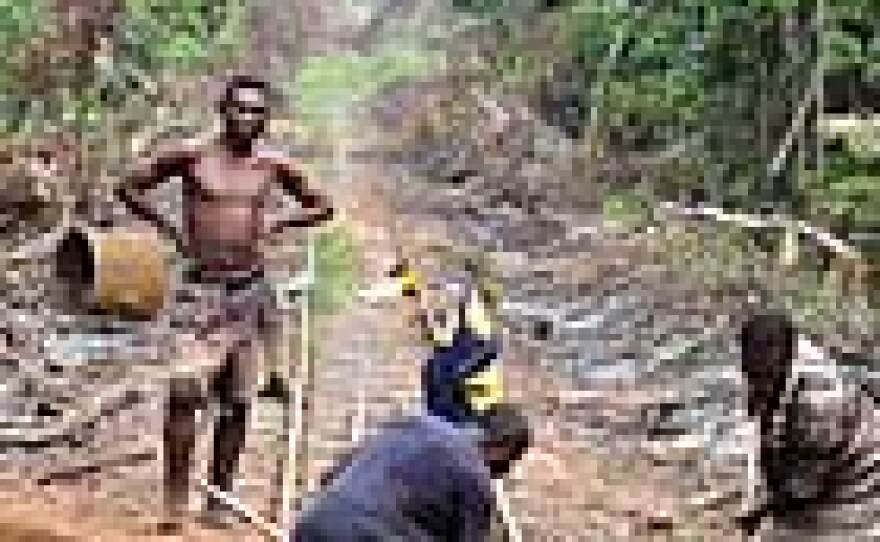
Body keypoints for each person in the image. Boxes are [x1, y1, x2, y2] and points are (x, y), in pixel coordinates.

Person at [116, 74, 333, 532]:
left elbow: (322, 205)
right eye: (239, 109)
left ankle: (219, 497)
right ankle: (174, 499)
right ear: (222, 110)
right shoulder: (191, 155)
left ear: (268, 119)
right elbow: (130, 186)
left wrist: (279, 224)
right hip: (200, 293)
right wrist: (169, 228)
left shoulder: (273, 165)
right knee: (184, 392)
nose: (246, 119)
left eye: (257, 111)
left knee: (238, 399)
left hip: (251, 293)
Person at [293, 402, 532, 541]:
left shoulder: (410, 424)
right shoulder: (475, 475)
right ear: (504, 449)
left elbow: (329, 477)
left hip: (312, 525)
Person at [736, 312, 880, 539]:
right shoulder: (772, 368)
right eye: (752, 375)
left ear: (785, 359)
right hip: (825, 466)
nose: (757, 385)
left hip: (864, 484)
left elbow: (804, 489)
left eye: (764, 378)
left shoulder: (819, 402)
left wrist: (764, 508)